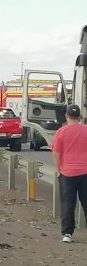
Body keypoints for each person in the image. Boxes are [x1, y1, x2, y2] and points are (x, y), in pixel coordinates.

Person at [51, 104, 87, 243]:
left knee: (68, 203)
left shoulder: (61, 132)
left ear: (66, 116)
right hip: (85, 172)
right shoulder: (86, 131)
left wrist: (59, 170)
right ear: (79, 117)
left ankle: (67, 234)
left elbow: (56, 153)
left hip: (67, 173)